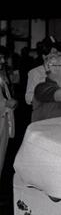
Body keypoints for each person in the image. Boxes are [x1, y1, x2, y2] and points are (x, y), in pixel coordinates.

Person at [25, 36, 61, 105]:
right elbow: (28, 98)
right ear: (44, 56)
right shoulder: (35, 72)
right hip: (45, 110)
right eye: (53, 53)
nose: (57, 55)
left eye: (57, 52)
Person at [0, 47, 17, 178]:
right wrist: (5, 104)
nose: (3, 60)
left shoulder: (1, 78)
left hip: (4, 123)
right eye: (0, 57)